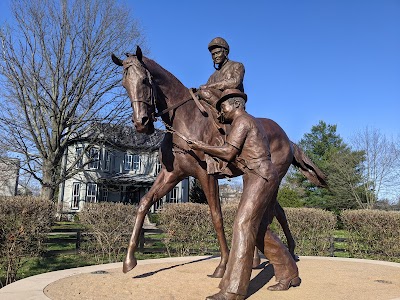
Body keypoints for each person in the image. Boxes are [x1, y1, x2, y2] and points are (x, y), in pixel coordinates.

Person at [187, 89, 300, 300]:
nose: (222, 111)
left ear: (237, 105)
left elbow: (229, 152)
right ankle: (289, 272)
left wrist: (202, 147)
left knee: (243, 225)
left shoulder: (242, 121)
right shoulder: (247, 122)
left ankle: (234, 290)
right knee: (257, 231)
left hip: (261, 176)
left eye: (224, 107)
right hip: (256, 175)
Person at [197, 37, 245, 108]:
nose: (215, 56)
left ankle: (220, 108)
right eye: (213, 54)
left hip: (233, 100)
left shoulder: (237, 65)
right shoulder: (212, 76)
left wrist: (209, 86)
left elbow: (235, 82)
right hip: (217, 99)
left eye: (217, 53)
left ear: (225, 52)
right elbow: (206, 89)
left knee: (203, 92)